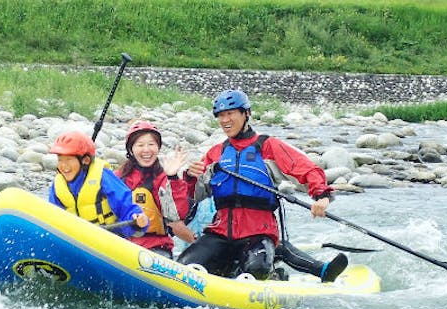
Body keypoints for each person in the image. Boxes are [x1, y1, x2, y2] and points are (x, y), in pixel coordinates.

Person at [179, 89, 348, 282]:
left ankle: (272, 271)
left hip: (257, 233)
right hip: (220, 233)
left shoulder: (268, 146)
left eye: (230, 114)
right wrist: (190, 177)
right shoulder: (216, 153)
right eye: (221, 115)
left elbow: (307, 169)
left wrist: (321, 196)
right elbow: (193, 195)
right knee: (183, 267)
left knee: (256, 270)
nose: (225, 120)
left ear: (246, 114)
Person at [115, 121, 196, 258]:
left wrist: (173, 177)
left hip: (155, 246)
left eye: (151, 144)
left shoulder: (163, 178)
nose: (146, 150)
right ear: (131, 150)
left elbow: (177, 214)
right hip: (122, 244)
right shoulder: (119, 177)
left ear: (158, 148)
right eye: (140, 145)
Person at [48, 131, 148, 238]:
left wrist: (137, 219)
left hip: (109, 238)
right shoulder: (58, 185)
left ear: (85, 160)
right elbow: (53, 216)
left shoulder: (103, 177)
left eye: (69, 160)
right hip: (76, 239)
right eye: (60, 160)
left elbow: (126, 204)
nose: (64, 166)